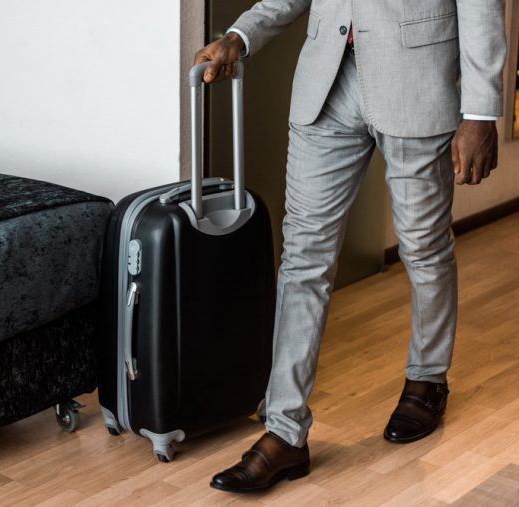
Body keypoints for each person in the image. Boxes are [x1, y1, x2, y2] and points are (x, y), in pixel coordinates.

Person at [194, 0, 507, 494]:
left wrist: (481, 111)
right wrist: (240, 36)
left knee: (422, 248)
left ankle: (427, 379)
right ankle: (284, 430)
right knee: (303, 258)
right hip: (327, 83)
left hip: (416, 80)